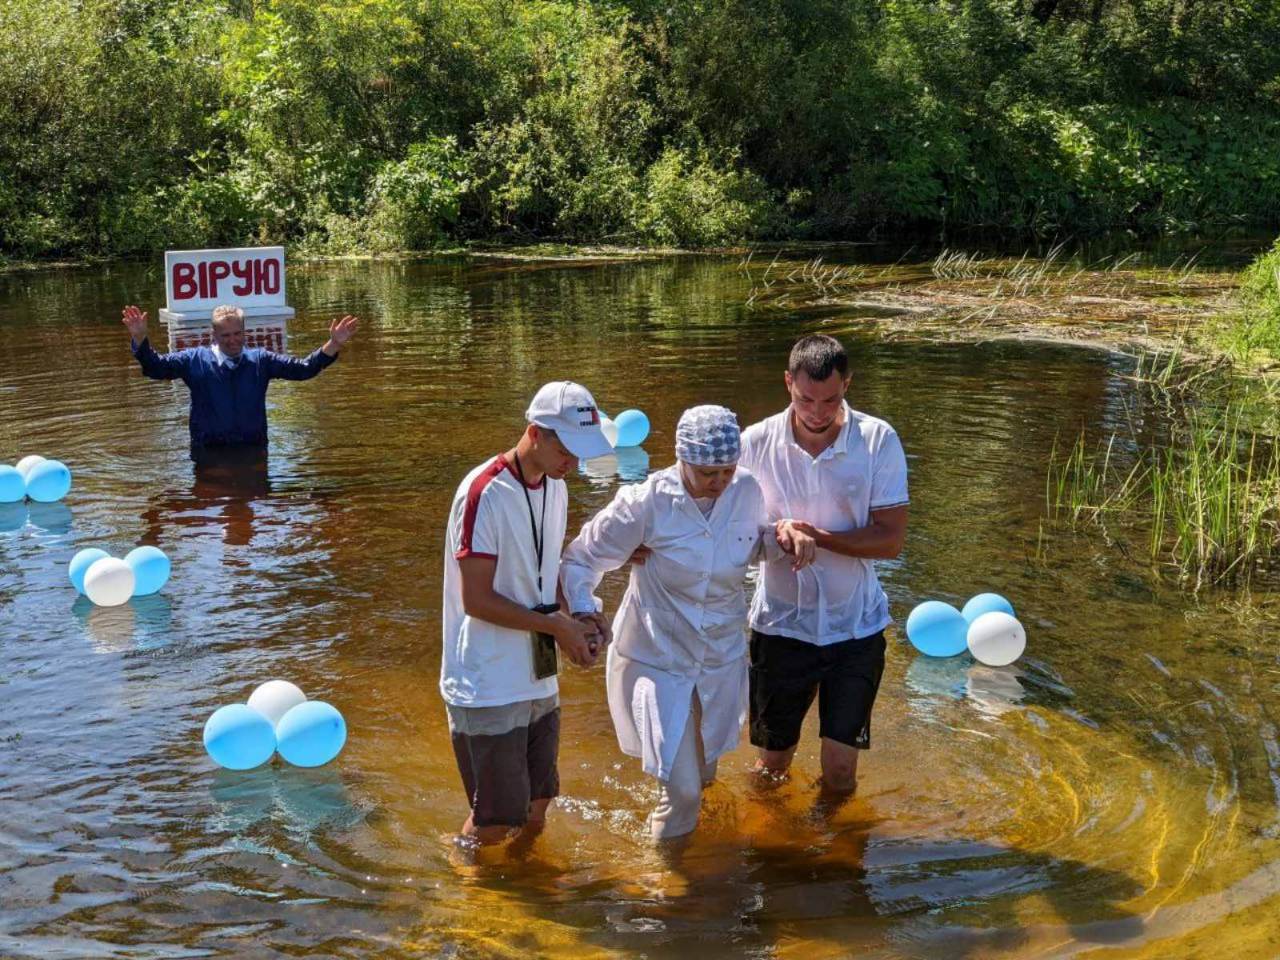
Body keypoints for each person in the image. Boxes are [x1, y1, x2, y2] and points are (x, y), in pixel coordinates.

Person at [561, 405, 817, 841]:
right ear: (681, 459)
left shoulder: (747, 490)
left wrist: (783, 536)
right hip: (658, 657)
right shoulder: (646, 503)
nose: (719, 483)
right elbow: (582, 558)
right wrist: (585, 611)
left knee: (702, 780)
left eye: (727, 471)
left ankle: (700, 870)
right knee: (680, 793)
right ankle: (662, 892)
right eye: (706, 473)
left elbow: (747, 547)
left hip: (718, 658)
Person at [441, 381, 613, 845]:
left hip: (537, 674)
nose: (574, 463)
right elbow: (475, 599)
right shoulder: (484, 493)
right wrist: (555, 626)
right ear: (537, 433)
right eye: (569, 450)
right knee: (494, 822)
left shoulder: (553, 485)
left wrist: (579, 615)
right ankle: (467, 898)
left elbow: (546, 569)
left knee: (537, 808)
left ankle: (529, 896)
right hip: (487, 680)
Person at [738, 335, 909, 797]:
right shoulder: (753, 442)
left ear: (848, 384)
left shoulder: (877, 439)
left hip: (856, 629)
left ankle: (834, 860)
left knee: (840, 774)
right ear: (788, 382)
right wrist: (779, 532)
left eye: (831, 399)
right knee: (771, 767)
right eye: (805, 399)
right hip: (780, 626)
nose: (817, 411)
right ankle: (770, 858)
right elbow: (724, 529)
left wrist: (818, 537)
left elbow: (891, 540)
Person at [120, 303, 359, 459]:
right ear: (213, 335)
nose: (233, 341)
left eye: (237, 334)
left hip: (253, 452)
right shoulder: (194, 360)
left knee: (252, 508)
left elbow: (304, 369)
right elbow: (155, 368)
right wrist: (140, 338)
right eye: (225, 335)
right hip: (208, 454)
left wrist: (334, 344)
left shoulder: (261, 360)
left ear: (244, 332)